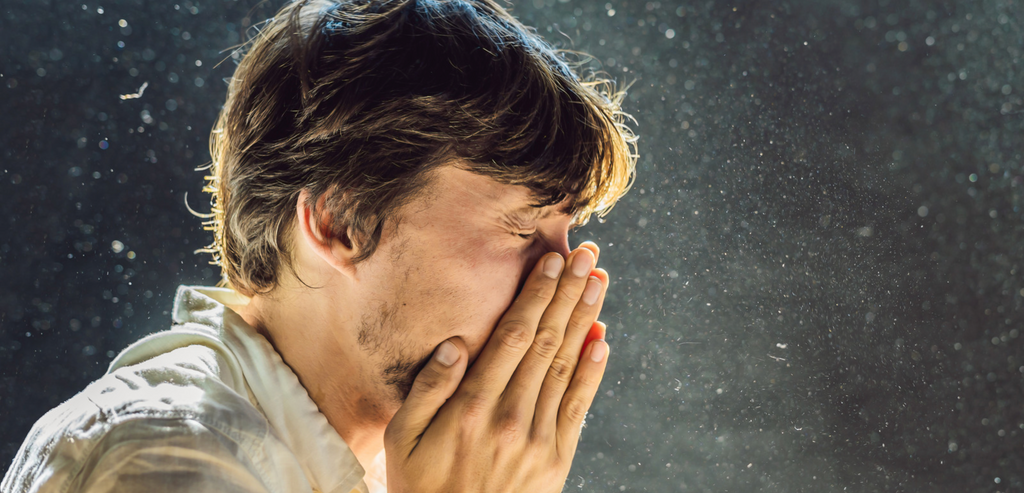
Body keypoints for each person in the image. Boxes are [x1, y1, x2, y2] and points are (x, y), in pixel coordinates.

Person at [1, 0, 637, 491]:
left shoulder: (389, 475)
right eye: (523, 227)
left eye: (568, 232)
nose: (564, 276)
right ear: (343, 223)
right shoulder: (170, 457)